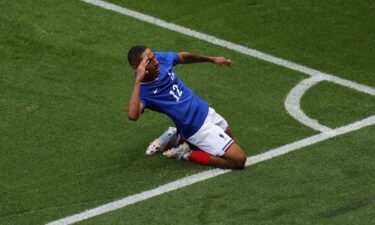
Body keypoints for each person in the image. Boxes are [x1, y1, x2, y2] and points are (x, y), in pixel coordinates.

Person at [127, 45, 247, 169]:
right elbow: (132, 115)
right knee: (238, 160)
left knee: (230, 139)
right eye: (149, 61)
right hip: (196, 128)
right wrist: (138, 81)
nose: (156, 62)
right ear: (137, 67)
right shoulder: (144, 91)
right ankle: (187, 154)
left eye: (153, 57)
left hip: (204, 110)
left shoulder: (160, 59)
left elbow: (182, 57)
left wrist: (211, 59)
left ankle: (179, 139)